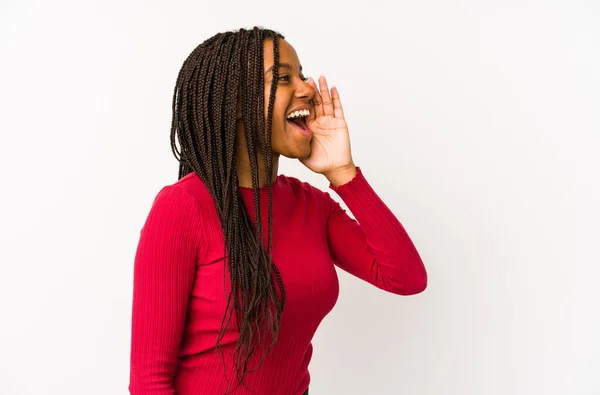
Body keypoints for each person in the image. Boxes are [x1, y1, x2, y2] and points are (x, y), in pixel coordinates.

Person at [128, 26, 428, 395]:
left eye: (302, 74)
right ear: (236, 100)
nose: (307, 88)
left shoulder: (312, 207)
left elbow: (406, 278)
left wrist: (344, 174)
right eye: (284, 77)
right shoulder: (183, 208)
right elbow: (150, 381)